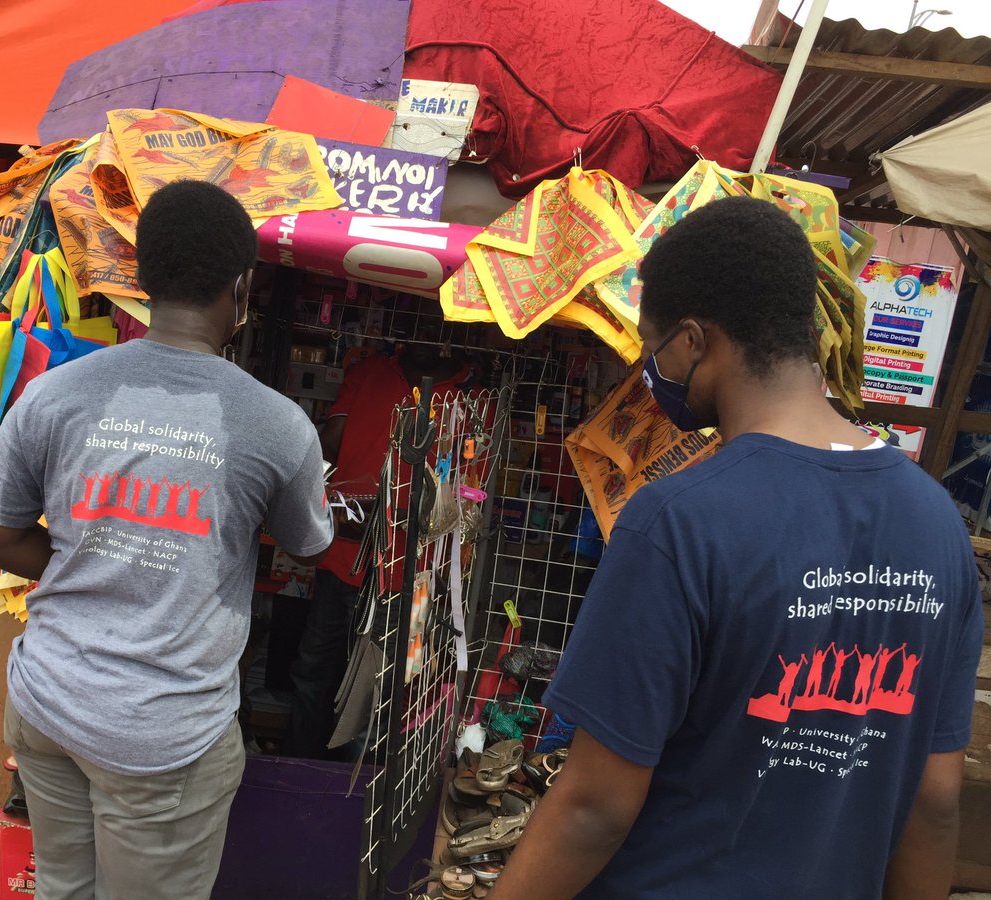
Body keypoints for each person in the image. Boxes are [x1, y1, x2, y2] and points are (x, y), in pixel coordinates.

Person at [489, 196, 983, 900]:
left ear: (693, 342)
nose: (650, 374)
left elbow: (594, 808)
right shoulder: (938, 523)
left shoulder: (677, 520)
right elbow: (935, 799)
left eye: (652, 349)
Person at [0, 180, 334, 900]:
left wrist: (87, 557)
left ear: (141, 279)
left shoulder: (57, 393)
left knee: (64, 888)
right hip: (162, 737)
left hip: (47, 702)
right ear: (242, 288)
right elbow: (310, 547)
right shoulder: (276, 424)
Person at [281, 339, 472, 759]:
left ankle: (367, 785)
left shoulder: (468, 400)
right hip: (343, 557)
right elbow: (330, 443)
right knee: (315, 668)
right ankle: (296, 765)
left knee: (394, 684)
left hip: (417, 572)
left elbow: (469, 491)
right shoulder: (368, 371)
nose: (424, 336)